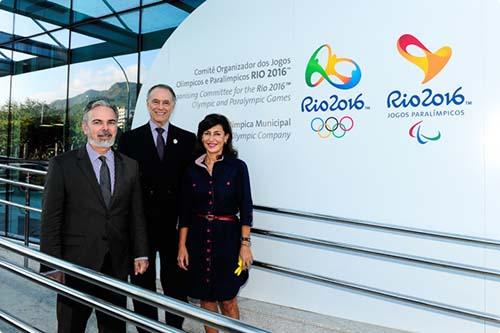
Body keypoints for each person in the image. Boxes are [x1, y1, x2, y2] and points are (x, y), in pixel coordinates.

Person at [39, 99, 149, 333]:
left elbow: (136, 213)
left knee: (114, 327)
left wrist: (141, 252)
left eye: (111, 122)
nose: (105, 128)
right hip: (75, 263)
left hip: (116, 263)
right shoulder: (62, 165)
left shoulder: (130, 166)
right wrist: (51, 265)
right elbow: (50, 219)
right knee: (71, 326)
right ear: (85, 127)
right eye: (97, 122)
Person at [118, 84, 196, 330]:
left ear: (173, 106)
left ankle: (173, 328)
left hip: (174, 227)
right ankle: (147, 328)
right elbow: (124, 186)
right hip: (141, 225)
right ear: (147, 104)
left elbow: (191, 187)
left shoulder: (187, 139)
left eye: (166, 103)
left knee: (177, 284)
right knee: (142, 283)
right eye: (155, 102)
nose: (160, 107)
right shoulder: (130, 139)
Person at [177, 113, 253, 333]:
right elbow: (185, 211)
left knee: (228, 299)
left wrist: (245, 244)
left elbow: (246, 207)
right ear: (201, 138)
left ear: (226, 137)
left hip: (228, 240)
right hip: (198, 240)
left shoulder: (238, 167)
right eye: (207, 133)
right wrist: (182, 246)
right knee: (206, 299)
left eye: (217, 133)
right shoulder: (191, 170)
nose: (212, 138)